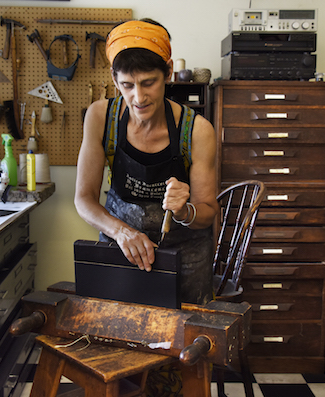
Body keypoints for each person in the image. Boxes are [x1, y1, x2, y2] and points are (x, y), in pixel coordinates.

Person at [74, 18, 219, 306]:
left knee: (184, 336)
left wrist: (183, 210)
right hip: (122, 245)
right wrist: (122, 232)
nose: (138, 97)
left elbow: (208, 212)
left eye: (148, 83)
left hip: (185, 254)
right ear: (114, 80)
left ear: (168, 72)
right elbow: (83, 199)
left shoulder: (198, 130)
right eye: (127, 85)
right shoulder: (101, 117)